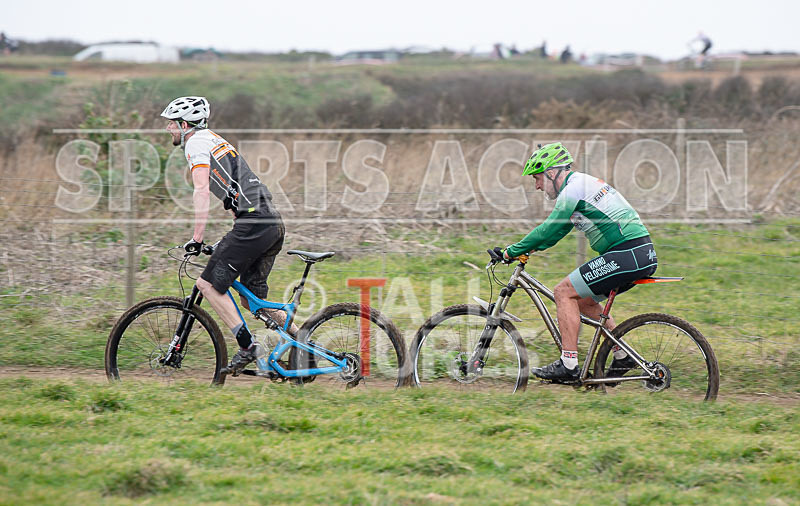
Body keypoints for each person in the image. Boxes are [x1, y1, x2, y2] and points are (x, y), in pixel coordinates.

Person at [501, 143, 657, 383]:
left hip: (626, 253)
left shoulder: (573, 189)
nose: (537, 186)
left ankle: (569, 364)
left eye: (538, 178)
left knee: (563, 292)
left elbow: (548, 229)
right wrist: (529, 248)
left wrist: (511, 251)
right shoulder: (581, 184)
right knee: (582, 302)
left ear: (551, 173)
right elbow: (556, 232)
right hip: (637, 253)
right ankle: (622, 355)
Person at [161, 96, 294, 376]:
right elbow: (236, 192)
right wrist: (228, 237)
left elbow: (200, 190)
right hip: (269, 223)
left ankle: (248, 347)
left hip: (255, 224)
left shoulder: (196, 144)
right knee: (251, 301)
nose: (168, 129)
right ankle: (305, 340)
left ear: (185, 125)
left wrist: (197, 238)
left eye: (171, 124)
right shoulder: (215, 140)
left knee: (207, 284)